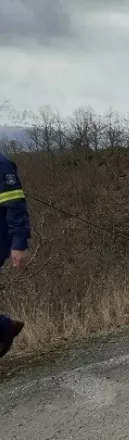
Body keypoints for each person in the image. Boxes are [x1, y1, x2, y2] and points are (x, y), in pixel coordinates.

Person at [0, 152, 30, 358]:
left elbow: (15, 206)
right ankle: (4, 329)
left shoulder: (2, 165)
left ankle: (4, 328)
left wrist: (19, 243)